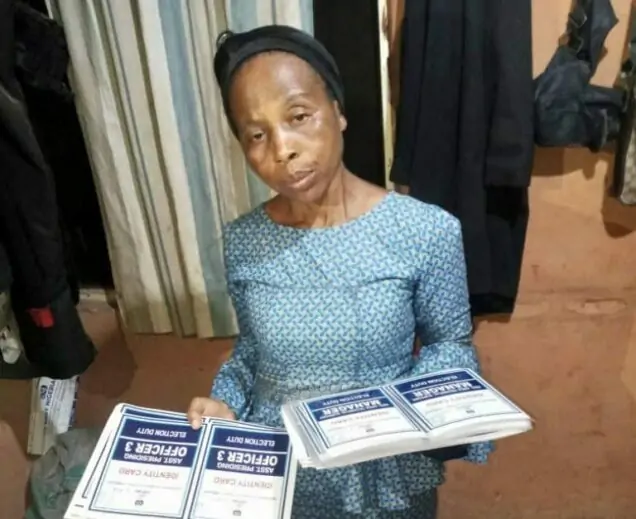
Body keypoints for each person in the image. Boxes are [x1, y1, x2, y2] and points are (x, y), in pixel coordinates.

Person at [187, 25, 493, 519]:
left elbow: (449, 345)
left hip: (383, 471)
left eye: (298, 116)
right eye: (257, 135)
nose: (282, 149)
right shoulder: (243, 241)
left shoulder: (424, 231)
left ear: (338, 111)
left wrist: (411, 416)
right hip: (280, 473)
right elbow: (251, 354)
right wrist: (223, 403)